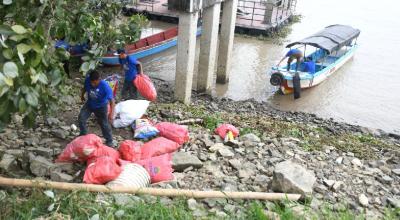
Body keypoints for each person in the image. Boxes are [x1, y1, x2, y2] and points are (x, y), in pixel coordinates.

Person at [78, 70, 115, 147]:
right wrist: (82, 95)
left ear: (99, 79)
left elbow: (112, 101)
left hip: (101, 107)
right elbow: (85, 87)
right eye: (91, 82)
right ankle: (83, 135)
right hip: (90, 103)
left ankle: (109, 140)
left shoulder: (105, 87)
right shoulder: (88, 80)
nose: (92, 84)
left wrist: (111, 114)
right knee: (81, 118)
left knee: (104, 124)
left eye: (94, 83)